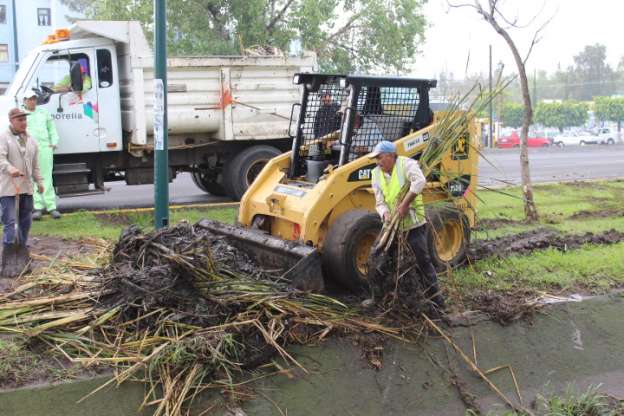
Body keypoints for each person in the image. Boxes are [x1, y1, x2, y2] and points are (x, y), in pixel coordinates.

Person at [369, 140, 444, 310]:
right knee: (379, 260)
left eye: (380, 157)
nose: (378, 162)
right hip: (392, 226)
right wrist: (385, 213)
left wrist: (405, 204)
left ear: (390, 156)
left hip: (414, 225)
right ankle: (379, 298)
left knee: (422, 262)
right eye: (376, 159)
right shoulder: (376, 174)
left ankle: (437, 301)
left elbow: (419, 181)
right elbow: (379, 201)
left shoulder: (406, 164)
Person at [0, 109, 44, 250]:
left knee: (26, 220)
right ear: (11, 121)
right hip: (8, 188)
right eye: (19, 120)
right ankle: (9, 248)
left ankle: (22, 246)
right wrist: (10, 168)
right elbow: (1, 158)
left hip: (26, 187)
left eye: (24, 119)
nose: (23, 122)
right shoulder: (3, 137)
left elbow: (35, 165)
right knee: (10, 221)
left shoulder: (31, 140)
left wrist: (39, 181)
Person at [23, 92, 61, 219]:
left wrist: (54, 142)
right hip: (29, 150)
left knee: (46, 177)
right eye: (29, 99)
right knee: (33, 178)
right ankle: (38, 208)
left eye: (34, 99)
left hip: (45, 149)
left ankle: (51, 207)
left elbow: (52, 129)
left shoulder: (43, 112)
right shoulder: (21, 114)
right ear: (25, 101)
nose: (32, 101)